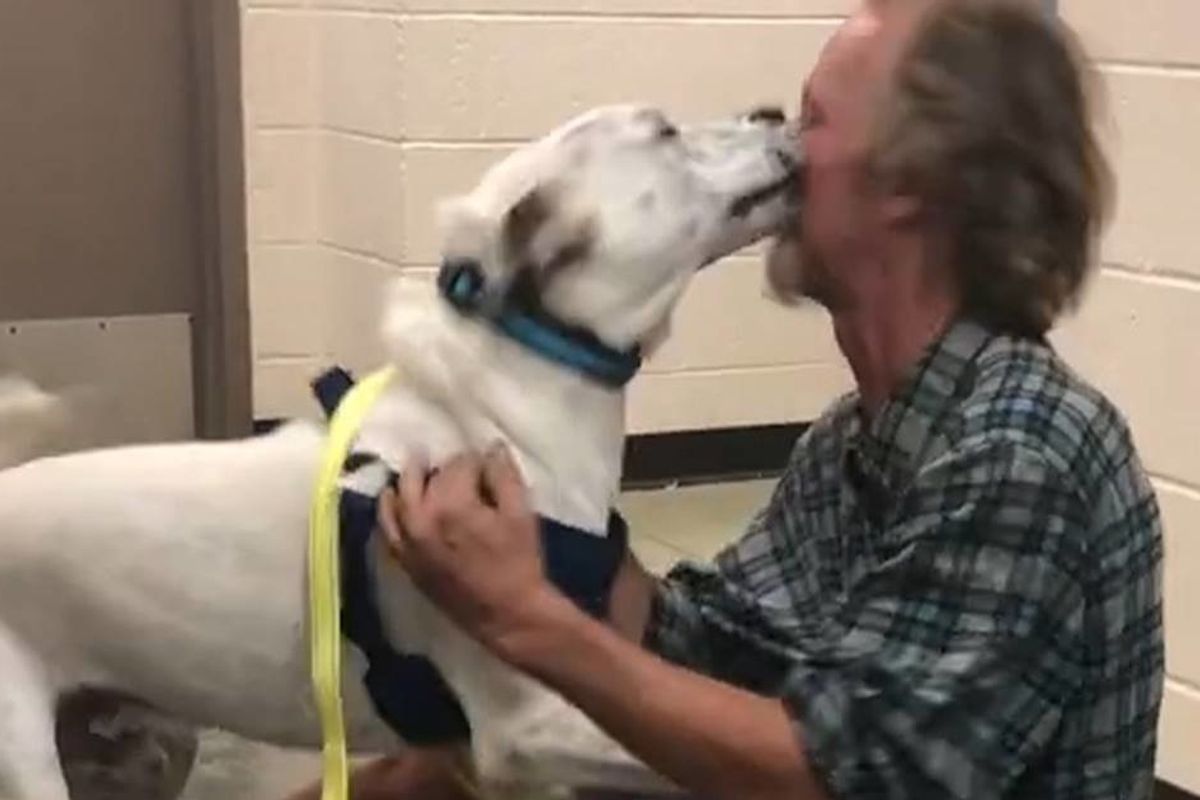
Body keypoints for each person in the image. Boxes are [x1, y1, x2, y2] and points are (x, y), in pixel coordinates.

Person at [291, 1, 1164, 798]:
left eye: (813, 120)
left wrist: (529, 619)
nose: (780, 145)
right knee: (427, 777)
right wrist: (530, 531)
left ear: (912, 185)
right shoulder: (853, 440)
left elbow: (843, 781)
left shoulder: (1020, 450)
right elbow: (707, 644)